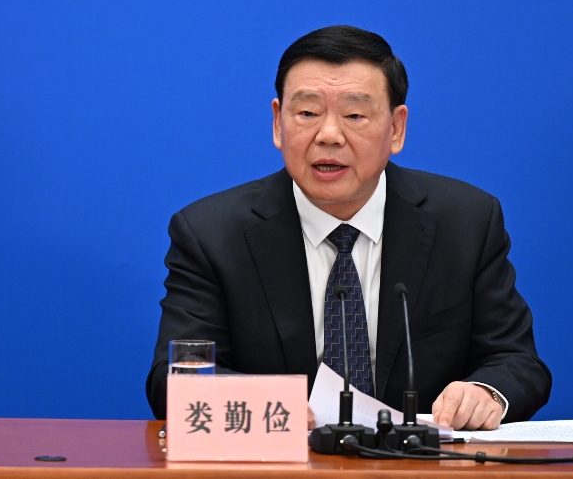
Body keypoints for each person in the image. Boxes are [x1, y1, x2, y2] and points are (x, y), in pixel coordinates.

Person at [146, 25, 551, 430]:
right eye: (307, 113)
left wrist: (485, 392)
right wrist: (271, 406)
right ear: (278, 123)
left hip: (418, 460)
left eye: (355, 115)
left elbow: (516, 361)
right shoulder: (211, 234)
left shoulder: (465, 222)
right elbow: (176, 377)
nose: (329, 135)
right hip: (285, 459)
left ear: (396, 128)